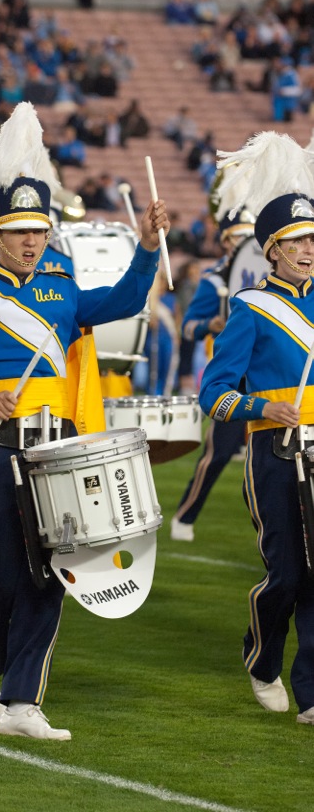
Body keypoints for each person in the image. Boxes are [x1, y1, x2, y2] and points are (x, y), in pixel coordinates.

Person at [0, 101, 169, 741]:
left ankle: (24, 703)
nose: (32, 240)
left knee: (50, 575)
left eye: (39, 230)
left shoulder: (61, 289)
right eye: (19, 230)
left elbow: (125, 301)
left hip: (57, 455)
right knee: (0, 576)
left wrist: (146, 250)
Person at [199, 133, 314, 723]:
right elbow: (213, 396)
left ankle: (312, 692)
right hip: (276, 452)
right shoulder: (249, 306)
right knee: (288, 573)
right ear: (271, 250)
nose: (308, 248)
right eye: (295, 240)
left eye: (313, 237)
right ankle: (263, 658)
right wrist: (261, 410)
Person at [170, 212, 253, 541]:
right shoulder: (214, 280)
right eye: (239, 236)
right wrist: (211, 325)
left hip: (270, 374)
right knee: (218, 453)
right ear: (225, 241)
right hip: (233, 375)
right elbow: (188, 327)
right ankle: (185, 516)